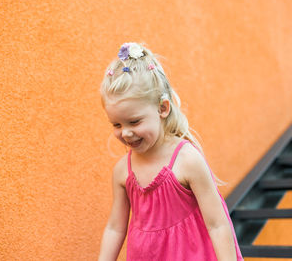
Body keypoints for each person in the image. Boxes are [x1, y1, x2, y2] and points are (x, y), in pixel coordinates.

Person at [97, 43, 243, 260]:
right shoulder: (122, 172)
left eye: (134, 121)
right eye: (116, 125)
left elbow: (217, 225)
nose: (126, 133)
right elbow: (115, 228)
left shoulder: (187, 161)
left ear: (162, 108)